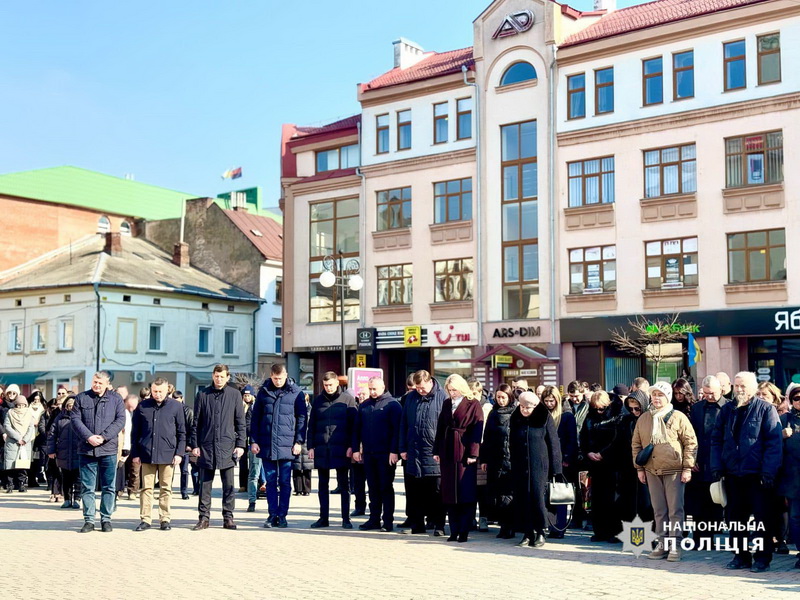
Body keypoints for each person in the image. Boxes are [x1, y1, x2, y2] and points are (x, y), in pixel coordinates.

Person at [711, 371, 782, 572]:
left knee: (762, 520)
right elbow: (716, 440)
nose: (740, 389)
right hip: (733, 474)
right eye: (737, 385)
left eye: (744, 386)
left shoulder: (766, 409)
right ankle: (740, 557)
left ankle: (762, 558)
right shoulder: (727, 410)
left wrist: (768, 472)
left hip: (758, 476)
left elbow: (773, 444)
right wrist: (717, 466)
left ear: (753, 387)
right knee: (735, 520)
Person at [632, 381, 697, 562]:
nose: (656, 398)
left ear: (667, 397)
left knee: (675, 509)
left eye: (660, 395)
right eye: (654, 395)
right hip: (652, 470)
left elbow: (690, 443)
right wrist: (639, 468)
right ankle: (662, 543)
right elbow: (636, 445)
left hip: (674, 470)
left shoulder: (678, 417)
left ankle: (675, 545)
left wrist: (687, 467)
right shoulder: (644, 418)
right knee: (659, 509)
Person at [190, 364, 247, 531]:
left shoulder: (235, 395)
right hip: (206, 447)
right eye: (216, 376)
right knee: (205, 486)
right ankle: (203, 518)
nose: (219, 379)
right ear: (213, 376)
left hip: (227, 447)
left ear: (228, 377)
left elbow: (240, 423)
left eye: (222, 376)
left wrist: (241, 445)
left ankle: (228, 517)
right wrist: (195, 445)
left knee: (228, 485)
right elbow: (196, 423)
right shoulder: (202, 394)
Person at [250, 363, 307, 529]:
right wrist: (254, 440)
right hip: (266, 444)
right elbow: (256, 418)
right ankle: (272, 514)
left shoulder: (296, 393)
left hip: (287, 445)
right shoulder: (264, 392)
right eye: (275, 378)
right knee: (270, 482)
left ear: (286, 375)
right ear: (271, 376)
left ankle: (282, 515)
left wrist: (298, 441)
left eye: (280, 378)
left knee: (285, 482)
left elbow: (302, 418)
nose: (277, 381)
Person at [69, 372, 125, 532]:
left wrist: (104, 437)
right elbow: (75, 419)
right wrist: (89, 437)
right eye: (95, 382)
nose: (97, 385)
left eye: (100, 382)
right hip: (87, 450)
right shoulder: (81, 398)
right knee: (87, 487)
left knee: (109, 487)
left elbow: (120, 420)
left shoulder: (116, 399)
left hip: (108, 449)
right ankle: (89, 520)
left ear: (107, 383)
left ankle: (106, 519)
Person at [130, 378, 186, 532]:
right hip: (146, 454)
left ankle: (165, 519)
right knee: (146, 488)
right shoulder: (142, 406)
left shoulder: (176, 406)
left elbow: (182, 432)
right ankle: (145, 519)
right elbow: (135, 433)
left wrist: (179, 453)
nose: (157, 394)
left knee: (166, 488)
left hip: (168, 455)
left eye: (160, 391)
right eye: (155, 391)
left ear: (167, 390)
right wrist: (135, 453)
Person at [434, 374, 484, 543]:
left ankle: (464, 530)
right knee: (449, 492)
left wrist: (473, 453)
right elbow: (440, 427)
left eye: (454, 390)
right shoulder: (447, 403)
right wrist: (436, 450)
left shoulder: (473, 404)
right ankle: (454, 530)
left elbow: (477, 429)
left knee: (465, 492)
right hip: (447, 450)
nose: (452, 393)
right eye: (449, 390)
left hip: (464, 451)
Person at [509, 391, 562, 548]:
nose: (525, 410)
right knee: (523, 498)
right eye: (522, 406)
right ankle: (527, 533)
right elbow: (512, 441)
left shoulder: (544, 417)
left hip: (539, 465)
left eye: (528, 407)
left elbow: (553, 443)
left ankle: (540, 532)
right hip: (520, 465)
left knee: (538, 498)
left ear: (535, 406)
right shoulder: (515, 417)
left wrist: (556, 468)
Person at [399, 370, 446, 536]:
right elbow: (403, 424)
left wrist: (441, 449)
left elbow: (446, 426)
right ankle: (417, 526)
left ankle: (439, 525)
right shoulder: (410, 398)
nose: (420, 390)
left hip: (434, 453)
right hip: (414, 452)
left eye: (422, 387)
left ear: (430, 382)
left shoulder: (442, 397)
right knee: (414, 493)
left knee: (437, 492)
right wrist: (402, 448)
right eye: (417, 388)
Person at [307, 371, 357, 529]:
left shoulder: (348, 400)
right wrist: (310, 446)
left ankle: (345, 519)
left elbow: (353, 426)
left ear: (337, 384)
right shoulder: (318, 401)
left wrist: (352, 446)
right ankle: (323, 518)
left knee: (344, 485)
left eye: (331, 385)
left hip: (342, 448)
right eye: (325, 385)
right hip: (322, 448)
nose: (328, 388)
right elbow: (312, 425)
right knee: (322, 485)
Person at [580, 390, 630, 543]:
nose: (598, 411)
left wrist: (604, 454)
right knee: (598, 499)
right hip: (595, 464)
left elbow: (618, 440)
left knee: (613, 499)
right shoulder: (590, 417)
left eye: (601, 408)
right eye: (595, 408)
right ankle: (600, 531)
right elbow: (583, 437)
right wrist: (588, 452)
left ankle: (615, 532)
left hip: (613, 463)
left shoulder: (617, 416)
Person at [353, 377, 400, 532]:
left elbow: (396, 431)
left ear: (383, 387)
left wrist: (394, 451)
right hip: (369, 454)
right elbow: (357, 430)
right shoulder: (364, 406)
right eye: (370, 389)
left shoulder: (392, 405)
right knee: (372, 487)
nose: (372, 392)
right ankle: (374, 519)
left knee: (385, 487)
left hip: (386, 454)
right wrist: (355, 449)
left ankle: (387, 521)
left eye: (375, 389)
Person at [480, 384, 516, 539]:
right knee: (497, 495)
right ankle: (502, 526)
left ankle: (510, 526)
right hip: (495, 459)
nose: (501, 400)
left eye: (504, 397)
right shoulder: (493, 414)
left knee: (509, 494)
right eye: (498, 397)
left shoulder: (515, 412)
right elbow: (487, 437)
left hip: (511, 460)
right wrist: (485, 459)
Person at [542, 386, 577, 538]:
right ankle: (551, 526)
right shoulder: (542, 415)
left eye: (552, 401)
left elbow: (572, 439)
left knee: (560, 495)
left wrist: (567, 458)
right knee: (548, 495)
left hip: (562, 461)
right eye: (546, 401)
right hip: (545, 461)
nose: (549, 403)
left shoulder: (566, 416)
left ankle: (559, 527)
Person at [778, 386, 800, 569]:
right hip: (793, 477)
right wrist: (781, 436)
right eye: (797, 398)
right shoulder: (784, 420)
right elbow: (769, 443)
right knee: (795, 517)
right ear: (791, 401)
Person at [47, 395, 81, 508]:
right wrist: (51, 450)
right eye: (69, 405)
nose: (71, 407)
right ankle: (67, 499)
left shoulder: (82, 417)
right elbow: (52, 435)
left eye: (73, 405)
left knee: (78, 478)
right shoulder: (60, 418)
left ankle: (77, 499)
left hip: (78, 452)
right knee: (66, 477)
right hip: (63, 452)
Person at [468, 376, 492, 532]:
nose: (473, 397)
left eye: (475, 393)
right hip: (468, 450)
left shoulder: (487, 407)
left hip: (482, 450)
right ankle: (470, 518)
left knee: (483, 488)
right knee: (470, 487)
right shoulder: (466, 406)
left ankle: (483, 518)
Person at [3, 395, 35, 492]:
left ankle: (22, 485)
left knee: (23, 465)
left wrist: (25, 439)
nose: (20, 407)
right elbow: (7, 426)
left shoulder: (29, 414)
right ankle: (10, 485)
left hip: (25, 443)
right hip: (12, 443)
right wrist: (18, 438)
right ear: (15, 405)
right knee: (10, 465)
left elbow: (31, 428)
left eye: (23, 405)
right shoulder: (10, 413)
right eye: (18, 405)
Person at [172, 391, 195, 500]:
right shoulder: (170, 410)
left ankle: (184, 491)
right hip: (171, 444)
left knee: (184, 470)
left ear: (182, 399)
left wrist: (190, 444)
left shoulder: (188, 411)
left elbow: (192, 428)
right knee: (169, 469)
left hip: (184, 444)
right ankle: (167, 490)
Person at [350, 388, 369, 518]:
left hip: (370, 451)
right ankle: (359, 506)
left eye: (364, 394)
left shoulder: (370, 408)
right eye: (360, 394)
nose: (361, 396)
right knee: (358, 482)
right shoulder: (355, 408)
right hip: (357, 451)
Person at [292, 394, 313, 496]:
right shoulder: (295, 410)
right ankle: (298, 488)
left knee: (307, 467)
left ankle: (307, 489)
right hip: (297, 439)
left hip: (307, 440)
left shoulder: (311, 410)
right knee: (296, 467)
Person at [122, 395, 140, 500]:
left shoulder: (139, 413)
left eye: (133, 407)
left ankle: (133, 491)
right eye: (130, 407)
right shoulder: (122, 412)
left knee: (135, 470)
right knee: (122, 469)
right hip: (123, 444)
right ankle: (119, 490)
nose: (132, 409)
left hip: (135, 444)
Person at [238, 385, 256, 493]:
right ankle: (243, 484)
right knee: (243, 462)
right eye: (245, 395)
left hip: (253, 436)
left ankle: (256, 483)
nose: (247, 397)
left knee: (255, 462)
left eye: (249, 395)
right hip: (242, 437)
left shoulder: (256, 406)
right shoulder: (240, 406)